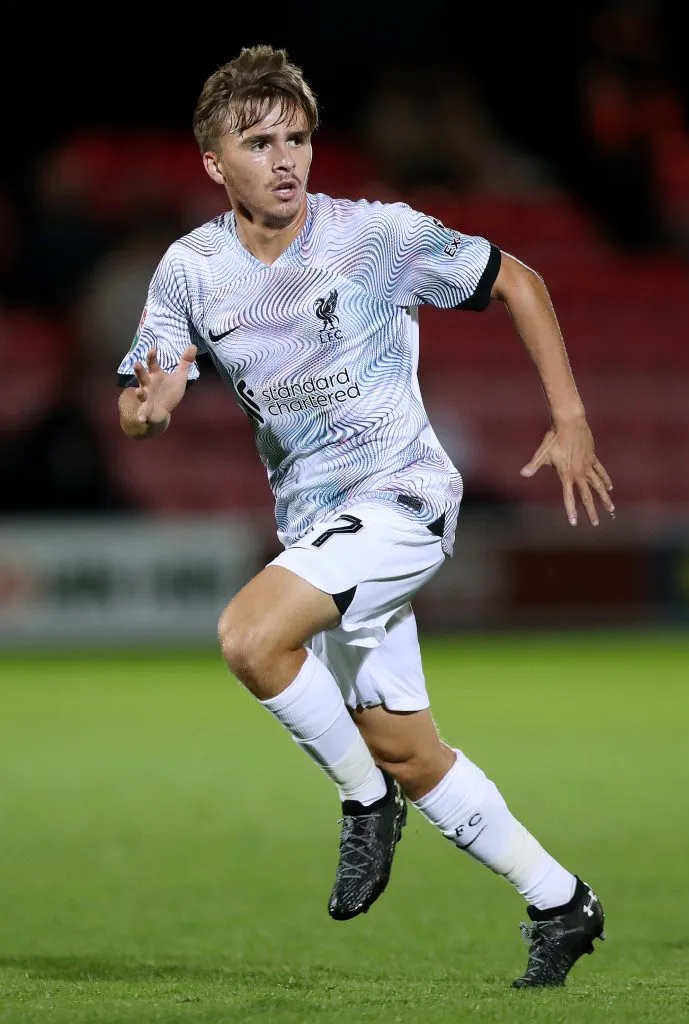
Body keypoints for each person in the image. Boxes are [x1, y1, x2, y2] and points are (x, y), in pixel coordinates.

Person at [116, 45, 615, 989]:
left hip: (404, 497)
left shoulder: (373, 236)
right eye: (259, 142)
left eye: (297, 137)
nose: (285, 158)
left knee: (250, 637)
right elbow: (141, 404)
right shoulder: (190, 270)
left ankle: (361, 800)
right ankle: (560, 902)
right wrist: (149, 408)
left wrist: (572, 420)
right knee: (407, 745)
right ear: (216, 163)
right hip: (317, 526)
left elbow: (518, 279)